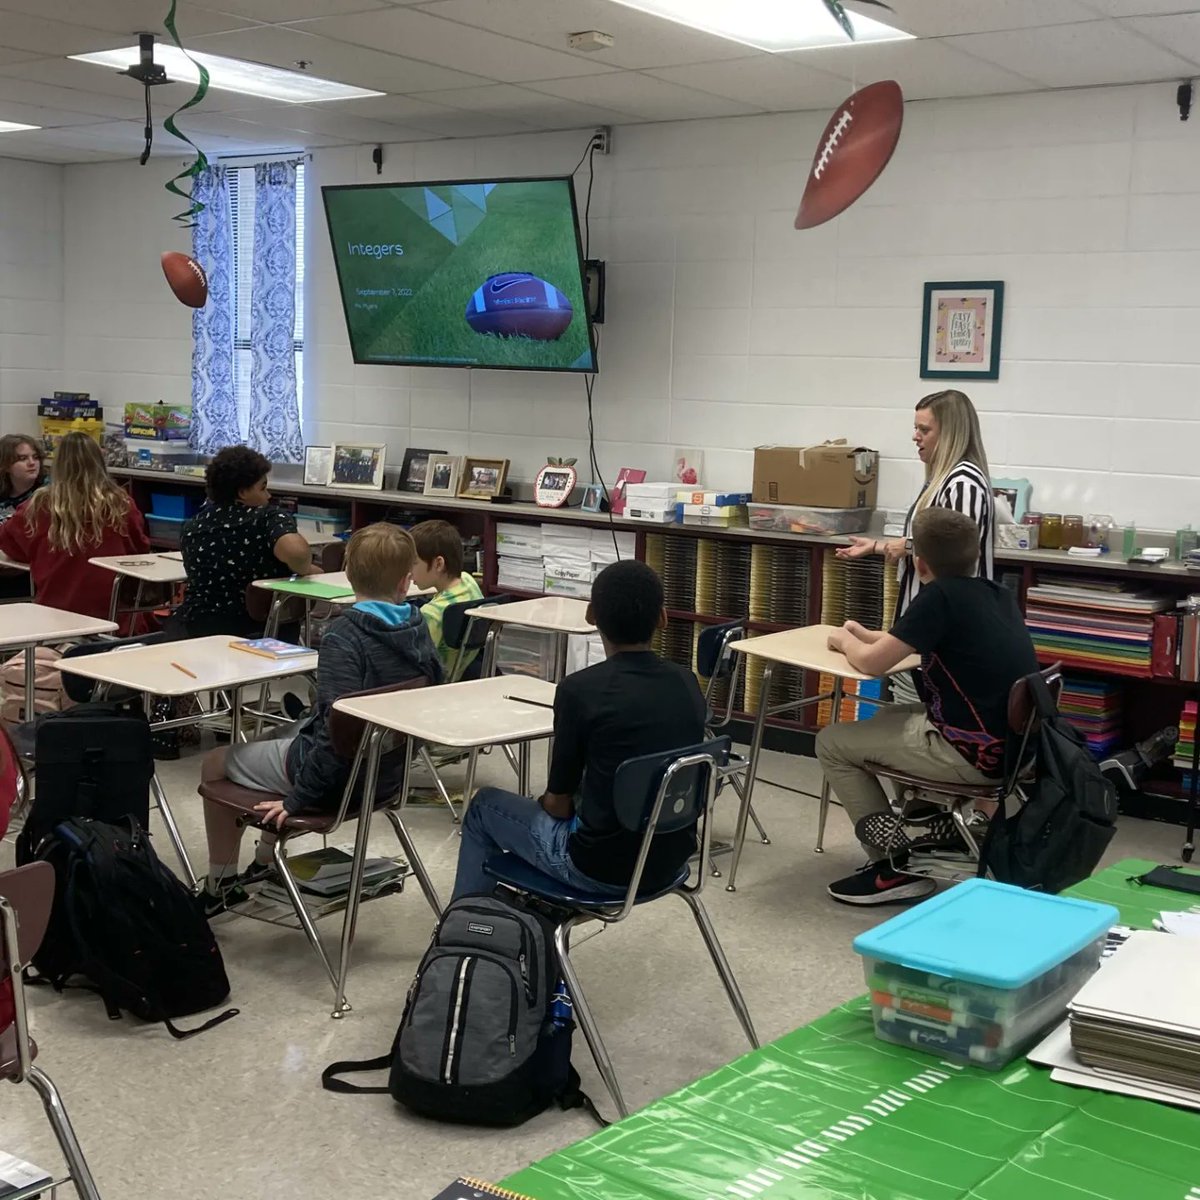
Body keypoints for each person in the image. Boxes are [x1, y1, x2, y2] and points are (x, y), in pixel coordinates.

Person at [196, 522, 443, 914]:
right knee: (275, 734)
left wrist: (297, 801)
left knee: (215, 762)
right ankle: (263, 863)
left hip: (336, 784)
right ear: (406, 582)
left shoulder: (344, 636)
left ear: (347, 575)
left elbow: (334, 738)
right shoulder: (418, 629)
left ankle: (221, 884)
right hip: (387, 775)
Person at [815, 508, 1037, 907]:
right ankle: (933, 821)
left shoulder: (939, 598)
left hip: (971, 753)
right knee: (889, 717)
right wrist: (863, 634)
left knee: (832, 741)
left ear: (918, 562)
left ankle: (891, 868)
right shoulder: (993, 593)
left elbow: (870, 665)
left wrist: (842, 641)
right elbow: (907, 640)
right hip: (1016, 749)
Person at [451, 559, 707, 901]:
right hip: (672, 858)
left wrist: (543, 803)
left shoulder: (578, 690)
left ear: (591, 616)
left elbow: (558, 805)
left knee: (485, 806)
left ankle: (464, 931)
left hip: (597, 868)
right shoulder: (687, 682)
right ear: (662, 617)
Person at [837, 389, 995, 703]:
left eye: (924, 430)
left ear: (950, 434)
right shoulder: (942, 478)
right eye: (916, 428)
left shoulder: (962, 483)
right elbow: (930, 542)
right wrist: (880, 547)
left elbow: (954, 552)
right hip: (925, 628)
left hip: (945, 630)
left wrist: (905, 547)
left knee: (914, 718)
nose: (915, 437)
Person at [0, 432, 149, 629]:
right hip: (114, 617)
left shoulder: (38, 506)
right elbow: (140, 550)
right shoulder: (121, 504)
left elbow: (10, 548)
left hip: (55, 616)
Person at [174, 445, 319, 639]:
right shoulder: (267, 517)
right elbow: (297, 554)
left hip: (199, 630)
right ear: (243, 492)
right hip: (260, 633)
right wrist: (306, 569)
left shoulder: (191, 527)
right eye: (263, 487)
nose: (268, 496)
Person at [409, 519, 484, 675]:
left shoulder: (431, 614)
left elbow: (414, 664)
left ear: (438, 564)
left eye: (413, 563)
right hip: (464, 674)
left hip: (436, 684)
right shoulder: (468, 581)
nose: (409, 572)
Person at [0, 434, 45, 600]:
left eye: (35, 457)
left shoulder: (47, 494)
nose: (32, 463)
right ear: (5, 465)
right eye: (22, 458)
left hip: (30, 573)